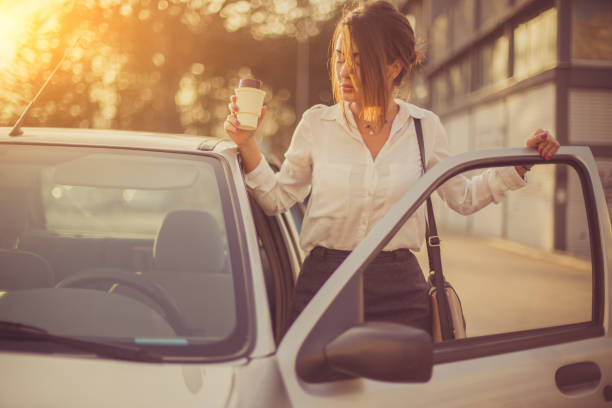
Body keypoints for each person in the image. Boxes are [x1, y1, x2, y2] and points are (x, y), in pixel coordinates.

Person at [223, 0, 560, 335]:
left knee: (401, 389)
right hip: (324, 285)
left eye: (358, 58)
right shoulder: (317, 124)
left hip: (399, 291)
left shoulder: (423, 127)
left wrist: (518, 165)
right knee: (317, 389)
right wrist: (246, 142)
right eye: (340, 57)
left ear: (393, 67)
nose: (343, 69)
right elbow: (276, 198)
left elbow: (464, 198)